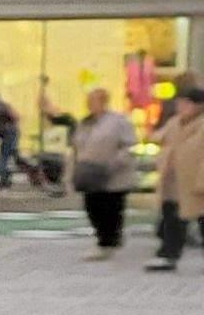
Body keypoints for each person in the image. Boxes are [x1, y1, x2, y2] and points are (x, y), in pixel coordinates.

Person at [71, 88, 138, 260]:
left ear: (103, 102)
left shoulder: (118, 121)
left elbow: (129, 146)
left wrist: (116, 162)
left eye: (93, 101)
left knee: (111, 207)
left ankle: (108, 241)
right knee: (92, 206)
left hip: (114, 174)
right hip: (90, 173)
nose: (90, 104)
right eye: (88, 101)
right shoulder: (85, 123)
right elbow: (77, 145)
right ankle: (106, 239)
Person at [152, 93, 204, 272]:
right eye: (179, 104)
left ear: (198, 105)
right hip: (174, 180)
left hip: (197, 180)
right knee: (171, 217)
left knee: (201, 217)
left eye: (186, 104)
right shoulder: (174, 123)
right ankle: (168, 255)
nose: (181, 107)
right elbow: (159, 139)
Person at [0, 85, 26, 192]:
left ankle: (4, 180)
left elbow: (14, 117)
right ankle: (33, 171)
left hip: (9, 134)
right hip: (9, 134)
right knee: (14, 158)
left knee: (2, 158)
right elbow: (1, 124)